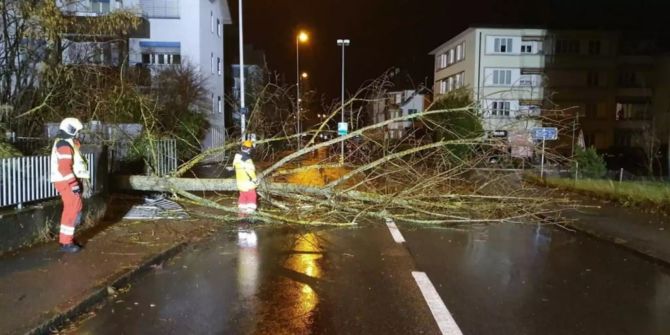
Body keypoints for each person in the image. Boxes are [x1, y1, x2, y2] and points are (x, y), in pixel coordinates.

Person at [50, 117, 90, 253]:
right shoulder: (64, 145)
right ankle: (66, 243)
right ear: (71, 130)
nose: (78, 134)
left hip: (66, 180)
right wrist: (73, 184)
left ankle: (66, 240)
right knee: (72, 209)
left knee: (72, 209)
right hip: (66, 181)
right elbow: (64, 168)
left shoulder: (66, 143)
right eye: (77, 131)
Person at [233, 140, 259, 215]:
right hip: (248, 184)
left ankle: (241, 216)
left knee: (242, 199)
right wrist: (255, 180)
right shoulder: (247, 160)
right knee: (251, 199)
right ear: (249, 149)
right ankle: (250, 217)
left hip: (240, 184)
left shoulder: (236, 157)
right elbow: (251, 172)